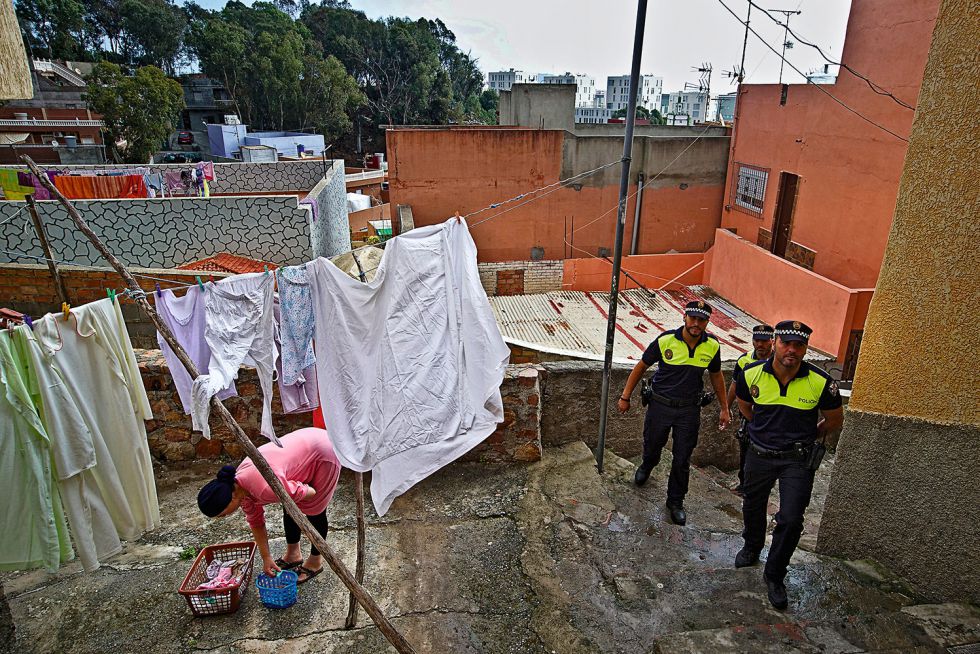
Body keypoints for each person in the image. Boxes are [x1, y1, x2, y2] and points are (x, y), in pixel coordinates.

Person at [733, 320, 844, 610]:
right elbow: (745, 408)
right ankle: (752, 545)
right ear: (775, 343)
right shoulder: (751, 373)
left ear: (805, 348)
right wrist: (762, 428)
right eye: (786, 343)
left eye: (799, 345)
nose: (792, 350)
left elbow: (834, 421)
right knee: (752, 505)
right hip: (759, 454)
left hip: (796, 459)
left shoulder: (821, 382)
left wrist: (808, 436)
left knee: (792, 519)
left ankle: (775, 574)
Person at [618, 300, 730, 525]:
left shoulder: (712, 346)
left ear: (707, 322)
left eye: (702, 320)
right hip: (660, 406)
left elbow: (716, 376)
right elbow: (641, 366)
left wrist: (725, 407)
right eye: (693, 318)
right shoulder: (665, 340)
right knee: (652, 444)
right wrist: (625, 396)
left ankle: (675, 501)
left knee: (682, 458)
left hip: (689, 410)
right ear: (685, 317)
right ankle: (647, 464)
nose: (696, 323)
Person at [197, 427, 342, 584]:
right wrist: (267, 558)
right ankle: (293, 555)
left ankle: (315, 562)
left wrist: (310, 491)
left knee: (315, 511)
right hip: (305, 443)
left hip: (324, 452)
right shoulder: (237, 487)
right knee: (289, 506)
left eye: (222, 514)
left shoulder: (264, 487)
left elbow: (310, 492)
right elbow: (256, 522)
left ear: (231, 498)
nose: (223, 517)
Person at [726, 324, 775, 495]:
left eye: (764, 341)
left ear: (772, 341)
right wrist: (725, 408)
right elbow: (734, 385)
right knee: (746, 448)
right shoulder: (743, 360)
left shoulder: (780, 361)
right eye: (757, 341)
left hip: (772, 416)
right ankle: (744, 484)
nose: (760, 345)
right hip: (748, 415)